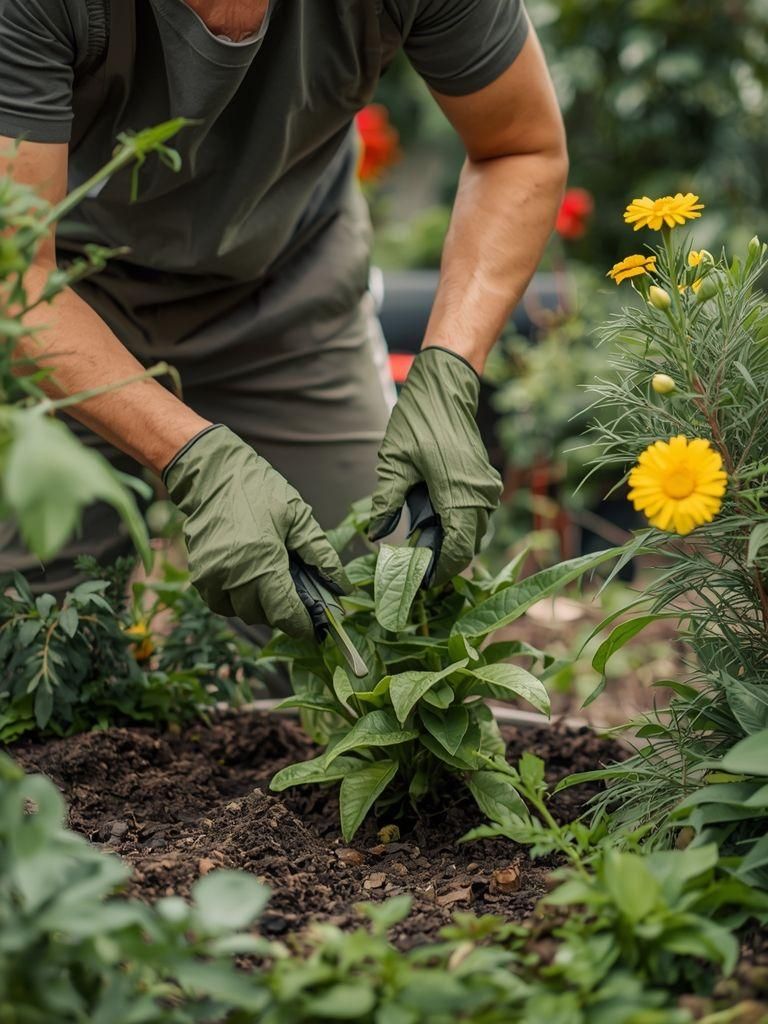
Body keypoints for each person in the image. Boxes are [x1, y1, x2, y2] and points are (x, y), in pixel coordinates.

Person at [0, 0, 567, 641]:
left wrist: (448, 371)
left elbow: (519, 149)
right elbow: (12, 272)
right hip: (62, 300)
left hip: (286, 289)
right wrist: (193, 457)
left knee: (370, 617)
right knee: (33, 643)